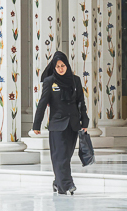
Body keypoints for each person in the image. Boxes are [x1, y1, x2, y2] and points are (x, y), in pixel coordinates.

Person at [32, 51, 89, 195]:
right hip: (57, 124)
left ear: (67, 65)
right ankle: (68, 184)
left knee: (66, 156)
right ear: (54, 67)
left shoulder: (75, 80)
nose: (61, 69)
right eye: (57, 66)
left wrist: (85, 121)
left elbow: (81, 102)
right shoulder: (50, 81)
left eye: (63, 65)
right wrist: (36, 124)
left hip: (73, 124)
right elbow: (42, 103)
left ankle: (58, 183)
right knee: (60, 155)